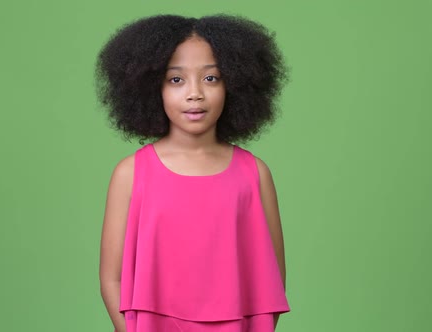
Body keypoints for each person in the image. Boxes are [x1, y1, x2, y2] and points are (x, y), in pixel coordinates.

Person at [95, 14, 290, 332]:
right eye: (176, 80)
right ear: (149, 87)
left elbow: (272, 278)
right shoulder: (131, 173)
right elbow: (111, 277)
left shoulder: (254, 173)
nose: (195, 93)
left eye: (211, 78)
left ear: (235, 84)